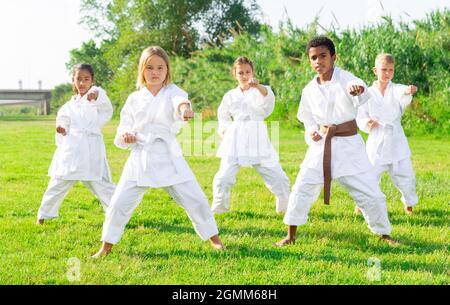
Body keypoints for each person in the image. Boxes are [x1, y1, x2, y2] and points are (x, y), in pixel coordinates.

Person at [92, 46, 224, 258]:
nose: (155, 72)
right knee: (118, 204)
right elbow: (124, 126)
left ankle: (215, 240)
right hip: (140, 157)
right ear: (142, 70)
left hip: (169, 156)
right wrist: (127, 135)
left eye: (160, 67)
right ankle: (105, 246)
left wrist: (184, 111)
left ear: (167, 69)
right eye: (150, 67)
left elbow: (180, 103)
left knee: (196, 199)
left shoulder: (174, 91)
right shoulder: (134, 98)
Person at [275, 36, 397, 247]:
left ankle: (384, 234)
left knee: (370, 192)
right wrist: (312, 132)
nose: (318, 62)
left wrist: (357, 90)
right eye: (313, 58)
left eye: (323, 56)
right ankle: (290, 235)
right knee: (301, 188)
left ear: (333, 57)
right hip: (321, 145)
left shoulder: (346, 79)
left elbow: (357, 86)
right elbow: (307, 119)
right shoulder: (309, 90)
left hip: (349, 146)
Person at [37, 64, 115, 224]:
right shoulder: (68, 106)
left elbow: (106, 108)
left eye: (86, 79)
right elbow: (63, 121)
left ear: (92, 81)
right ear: (73, 81)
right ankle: (43, 215)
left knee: (103, 185)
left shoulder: (95, 96)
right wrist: (62, 129)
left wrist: (96, 97)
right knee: (57, 183)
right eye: (78, 79)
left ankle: (116, 215)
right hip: (72, 151)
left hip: (91, 150)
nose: (82, 83)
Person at [211, 56, 290, 214]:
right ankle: (219, 208)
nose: (245, 75)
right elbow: (223, 115)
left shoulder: (261, 90)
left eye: (248, 72)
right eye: (241, 72)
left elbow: (268, 102)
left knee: (276, 175)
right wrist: (225, 131)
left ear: (253, 73)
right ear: (235, 74)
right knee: (223, 176)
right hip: (235, 137)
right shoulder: (230, 95)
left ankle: (286, 207)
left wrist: (258, 86)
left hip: (257, 136)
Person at [355, 53, 418, 215]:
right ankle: (361, 204)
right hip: (376, 139)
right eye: (384, 70)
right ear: (375, 70)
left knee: (406, 175)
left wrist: (408, 90)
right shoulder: (367, 93)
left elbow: (400, 91)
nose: (387, 73)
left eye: (391, 70)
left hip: (396, 140)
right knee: (369, 174)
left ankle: (408, 204)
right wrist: (367, 123)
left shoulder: (395, 89)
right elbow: (360, 116)